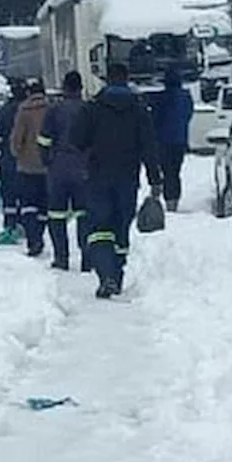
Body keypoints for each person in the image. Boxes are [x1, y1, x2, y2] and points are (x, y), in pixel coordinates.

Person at [70, 61, 162, 299]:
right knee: (121, 228)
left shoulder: (93, 108)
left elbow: (77, 139)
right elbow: (149, 146)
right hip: (128, 179)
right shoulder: (139, 109)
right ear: (127, 78)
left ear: (107, 79)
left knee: (100, 227)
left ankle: (106, 276)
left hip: (98, 177)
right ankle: (117, 273)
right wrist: (155, 179)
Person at [37, 70, 91, 272]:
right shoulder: (88, 110)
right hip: (84, 170)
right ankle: (87, 258)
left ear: (64, 88)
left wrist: (47, 161)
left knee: (56, 215)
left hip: (58, 169)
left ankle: (61, 258)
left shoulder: (54, 110)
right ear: (80, 88)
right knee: (84, 215)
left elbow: (43, 140)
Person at [9, 78, 51, 257]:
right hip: (48, 166)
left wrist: (17, 153)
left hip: (27, 167)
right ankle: (40, 234)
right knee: (44, 207)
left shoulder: (23, 111)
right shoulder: (52, 109)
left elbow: (16, 140)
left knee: (28, 205)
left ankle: (33, 239)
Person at [149, 66, 194, 212]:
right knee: (175, 172)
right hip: (180, 140)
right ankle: (174, 202)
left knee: (166, 171)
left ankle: (167, 199)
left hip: (162, 141)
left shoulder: (160, 99)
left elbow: (154, 119)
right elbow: (188, 116)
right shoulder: (186, 97)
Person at [0, 78, 28, 244]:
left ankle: (10, 225)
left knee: (9, 196)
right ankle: (26, 225)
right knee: (27, 195)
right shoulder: (28, 110)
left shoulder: (4, 111)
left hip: (7, 161)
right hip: (29, 162)